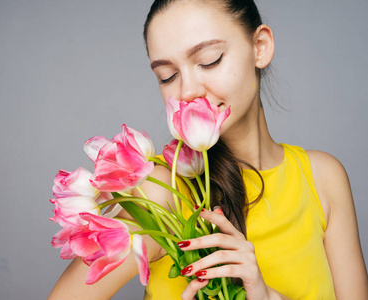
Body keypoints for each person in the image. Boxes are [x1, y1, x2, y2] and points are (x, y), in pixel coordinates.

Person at [48, 0, 368, 299]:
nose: (187, 91)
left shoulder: (323, 178)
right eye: (167, 76)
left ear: (260, 47)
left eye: (208, 60)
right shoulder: (163, 194)